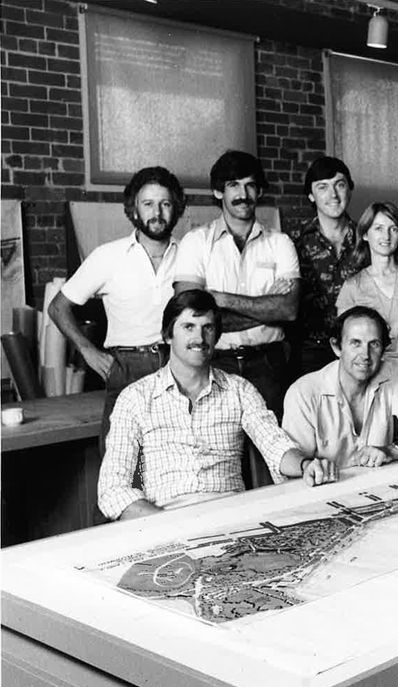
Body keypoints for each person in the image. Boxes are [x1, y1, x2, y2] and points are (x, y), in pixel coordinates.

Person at [97, 290, 332, 522]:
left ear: (216, 337)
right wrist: (168, 524)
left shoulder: (239, 389)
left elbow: (275, 445)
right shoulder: (135, 397)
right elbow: (112, 489)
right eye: (188, 327)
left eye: (207, 328)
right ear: (168, 336)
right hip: (165, 520)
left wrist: (305, 464)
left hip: (232, 517)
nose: (199, 338)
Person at [48, 166, 186, 447]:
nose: (157, 213)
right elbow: (58, 307)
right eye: (148, 204)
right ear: (133, 209)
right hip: (127, 368)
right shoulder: (108, 256)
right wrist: (88, 350)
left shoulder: (191, 254)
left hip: (180, 365)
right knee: (123, 463)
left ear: (177, 208)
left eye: (165, 203)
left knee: (176, 458)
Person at [173, 150, 300, 418]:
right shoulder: (196, 242)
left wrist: (220, 299)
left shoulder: (280, 243)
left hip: (270, 363)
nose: (243, 194)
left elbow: (288, 310)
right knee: (220, 452)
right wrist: (267, 311)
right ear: (219, 192)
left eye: (250, 185)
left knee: (271, 451)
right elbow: (190, 313)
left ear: (260, 191)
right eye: (233, 185)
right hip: (216, 363)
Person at [282, 306, 398, 468]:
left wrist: (391, 451)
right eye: (355, 343)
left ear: (383, 350)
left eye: (374, 344)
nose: (365, 355)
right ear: (337, 347)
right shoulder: (303, 393)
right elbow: (294, 469)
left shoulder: (391, 376)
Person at [335, 202, 398, 386]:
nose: (386, 236)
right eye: (379, 228)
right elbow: (346, 345)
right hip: (368, 382)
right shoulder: (352, 287)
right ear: (366, 234)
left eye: (393, 229)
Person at [288, 156, 361, 377]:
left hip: (358, 347)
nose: (333, 195)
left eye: (340, 185)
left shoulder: (366, 238)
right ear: (311, 195)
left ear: (349, 189)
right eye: (323, 187)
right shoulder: (293, 241)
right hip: (309, 349)